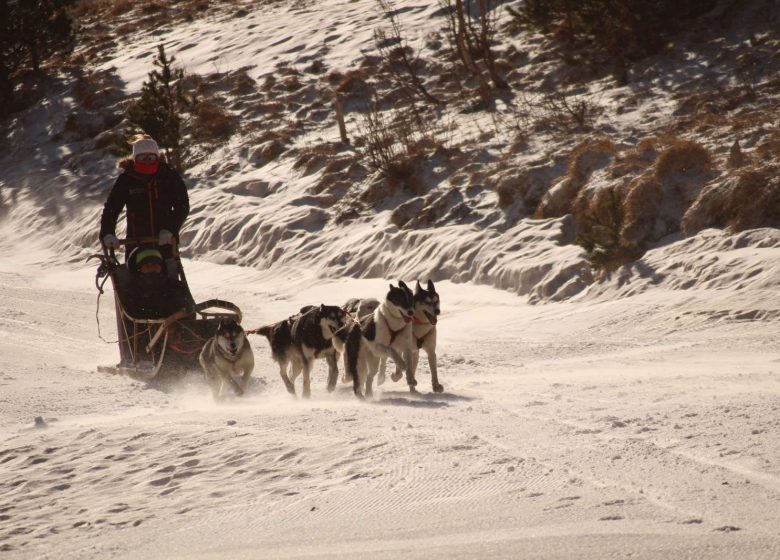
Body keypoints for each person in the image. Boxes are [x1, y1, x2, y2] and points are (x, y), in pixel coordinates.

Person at [99, 136, 189, 272]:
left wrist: (170, 229)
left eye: (150, 157)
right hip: (136, 241)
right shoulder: (127, 180)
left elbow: (182, 206)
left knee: (169, 279)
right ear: (135, 158)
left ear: (157, 157)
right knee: (136, 280)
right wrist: (108, 233)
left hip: (165, 240)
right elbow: (112, 208)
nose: (147, 161)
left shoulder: (169, 177)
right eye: (142, 157)